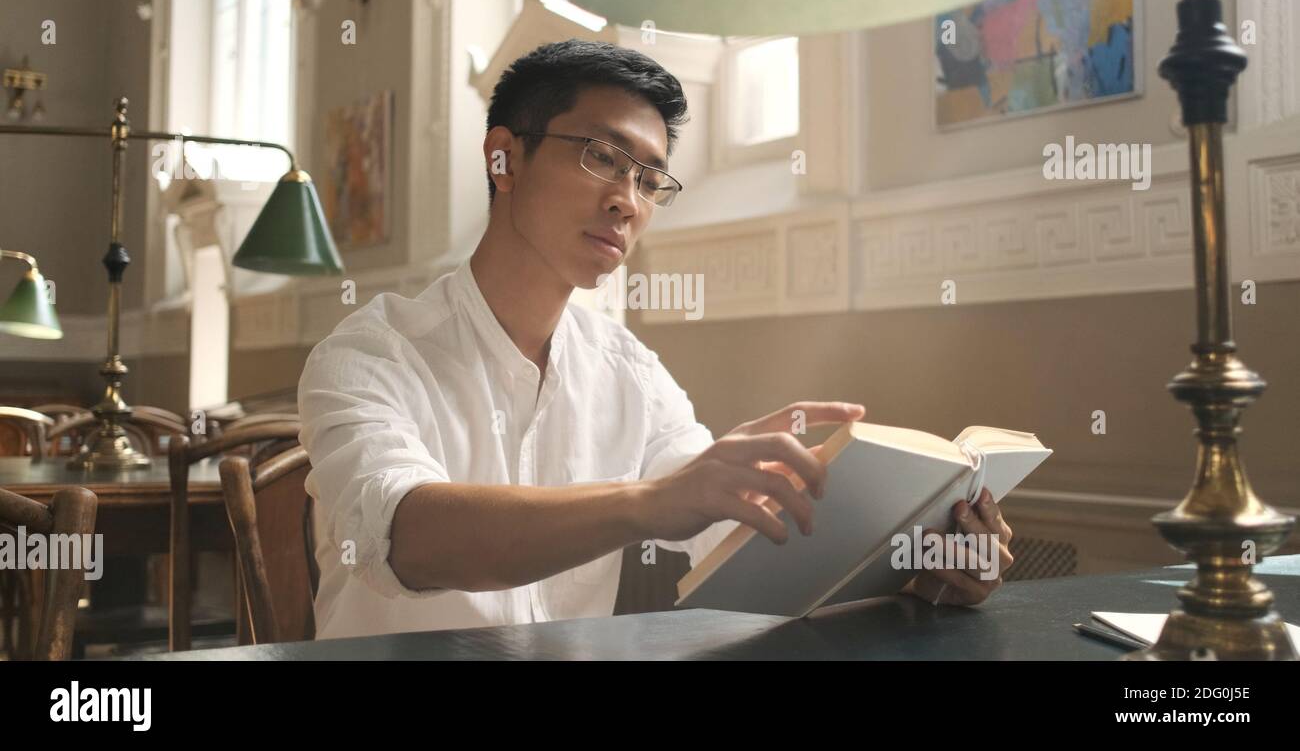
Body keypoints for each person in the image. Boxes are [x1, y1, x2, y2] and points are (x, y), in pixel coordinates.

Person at [299, 39, 1014, 640]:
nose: (627, 200)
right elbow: (407, 536)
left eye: (648, 178)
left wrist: (922, 561)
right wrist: (653, 498)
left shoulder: (629, 373)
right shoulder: (367, 356)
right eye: (602, 157)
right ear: (503, 160)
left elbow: (729, 533)